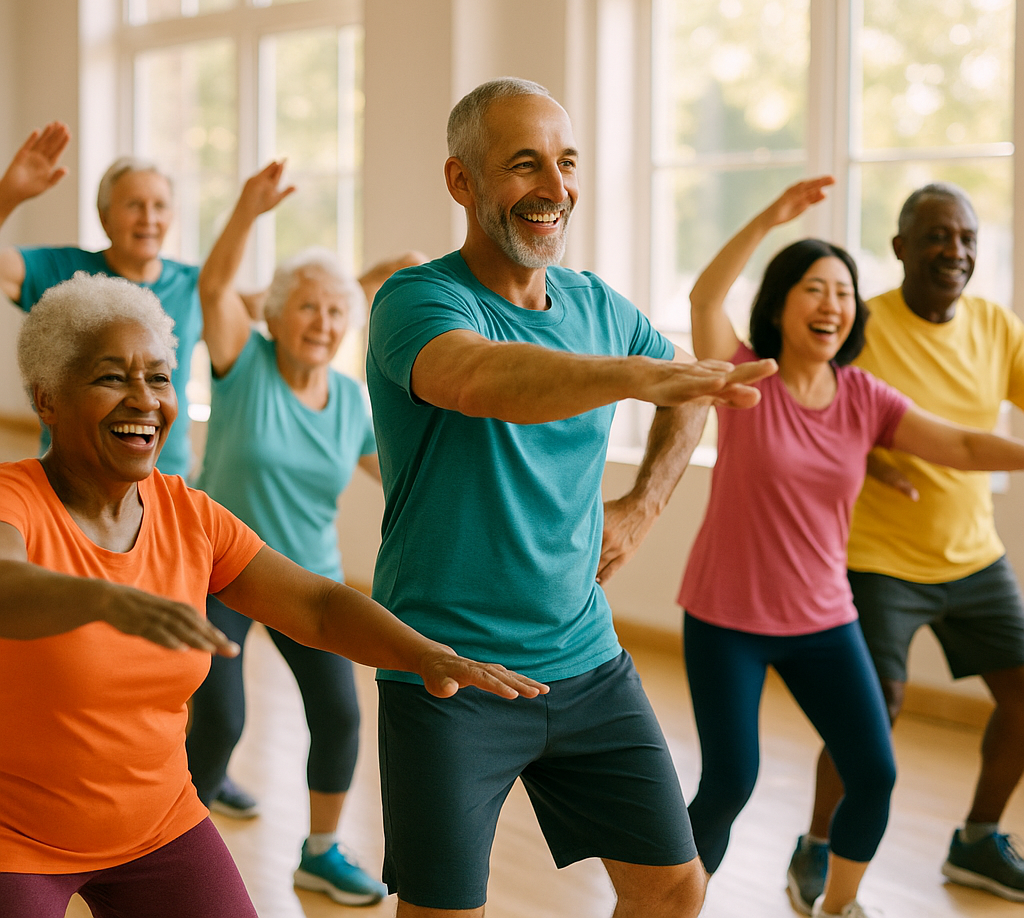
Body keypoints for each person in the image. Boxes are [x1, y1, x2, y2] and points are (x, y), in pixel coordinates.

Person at [0, 271, 545, 918]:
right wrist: (105, 600)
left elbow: (313, 606)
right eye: (112, 377)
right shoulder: (15, 499)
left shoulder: (190, 514)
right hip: (18, 838)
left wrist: (422, 653)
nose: (144, 400)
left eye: (159, 377)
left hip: (158, 825)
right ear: (47, 399)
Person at [365, 76, 777, 918]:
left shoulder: (596, 303)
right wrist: (641, 374)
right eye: (524, 166)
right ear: (462, 182)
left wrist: (644, 504)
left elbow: (690, 392)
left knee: (671, 889)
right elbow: (486, 380)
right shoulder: (419, 300)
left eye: (566, 163)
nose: (555, 190)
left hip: (588, 665)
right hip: (451, 674)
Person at [682, 178, 1024, 918]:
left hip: (822, 618)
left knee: (873, 772)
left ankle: (837, 905)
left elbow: (962, 444)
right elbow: (706, 300)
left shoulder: (864, 395)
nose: (832, 304)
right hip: (727, 619)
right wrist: (770, 216)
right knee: (730, 783)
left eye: (843, 291)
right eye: (814, 288)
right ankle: (666, 904)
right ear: (780, 303)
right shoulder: (744, 375)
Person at [186, 161, 419, 905]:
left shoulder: (351, 401)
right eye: (308, 309)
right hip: (219, 568)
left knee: (342, 714)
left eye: (334, 313)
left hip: (302, 578)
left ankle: (320, 851)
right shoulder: (242, 364)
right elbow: (215, 290)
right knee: (220, 716)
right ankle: (171, 837)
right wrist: (248, 210)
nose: (322, 323)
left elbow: (404, 476)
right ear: (278, 315)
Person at [789, 182, 1024, 907]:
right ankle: (818, 845)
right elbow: (813, 409)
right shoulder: (860, 325)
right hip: (879, 560)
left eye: (965, 239)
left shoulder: (995, 325)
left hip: (974, 555)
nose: (953, 251)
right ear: (898, 248)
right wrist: (872, 456)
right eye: (935, 237)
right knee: (873, 706)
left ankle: (978, 841)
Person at [0, 125, 200, 477]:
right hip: (72, 481)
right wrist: (9, 194)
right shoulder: (62, 270)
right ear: (104, 216)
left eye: (160, 206)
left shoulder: (194, 285)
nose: (149, 219)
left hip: (162, 482)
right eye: (134, 205)